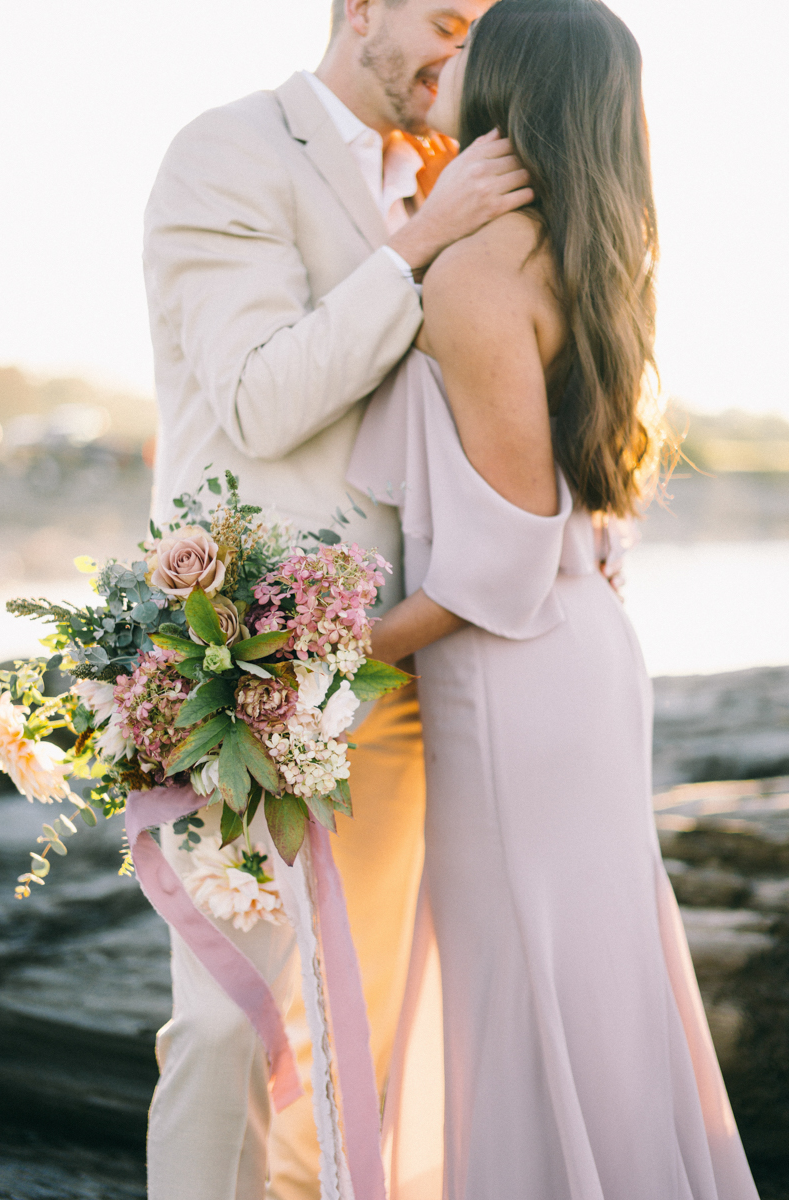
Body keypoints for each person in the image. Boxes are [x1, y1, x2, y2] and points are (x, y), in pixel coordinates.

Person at [349, 1, 761, 1196]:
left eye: (476, 36)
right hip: (570, 652)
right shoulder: (570, 247)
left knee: (526, 980)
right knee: (575, 978)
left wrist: (324, 658)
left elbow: (504, 559)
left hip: (512, 669)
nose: (453, 45)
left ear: (514, 78)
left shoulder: (479, 269)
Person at [142, 1, 533, 1197]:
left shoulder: (447, 169)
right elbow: (261, 400)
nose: (455, 54)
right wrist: (420, 244)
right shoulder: (230, 150)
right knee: (225, 1021)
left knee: (362, 1036)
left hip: (409, 666)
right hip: (243, 666)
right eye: (442, 19)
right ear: (358, 7)